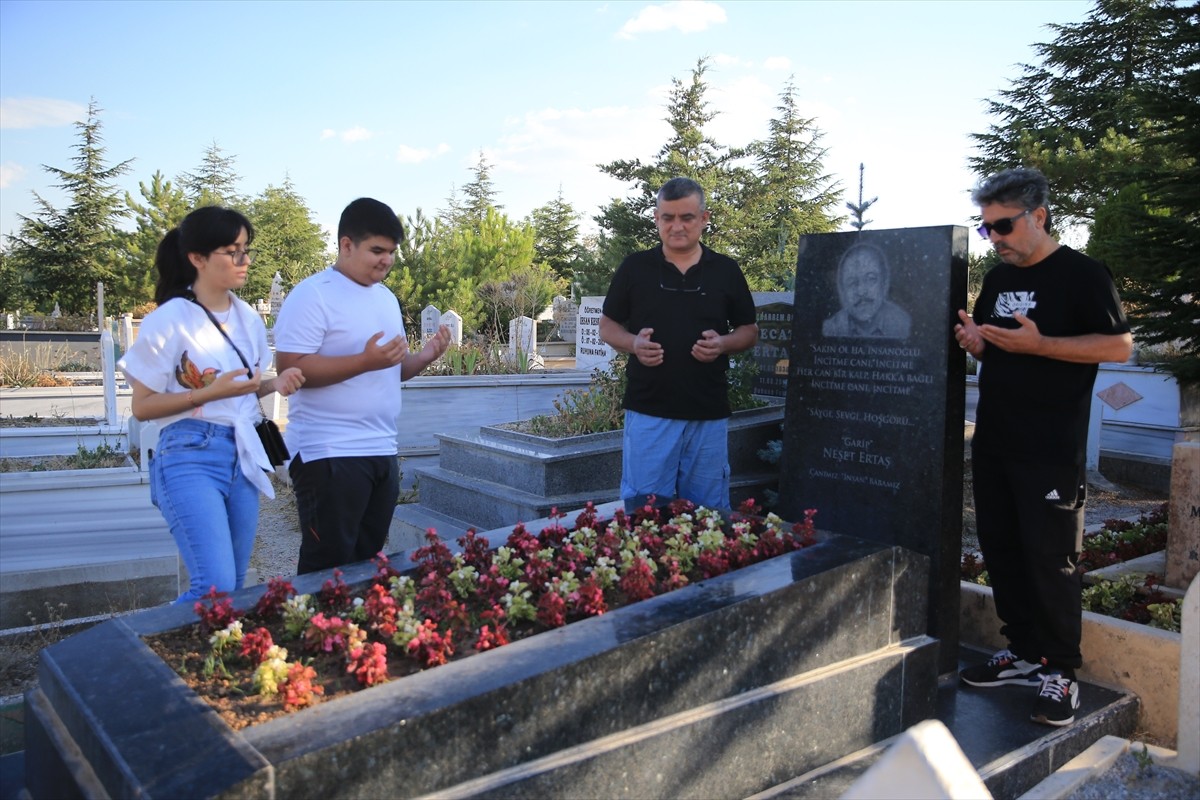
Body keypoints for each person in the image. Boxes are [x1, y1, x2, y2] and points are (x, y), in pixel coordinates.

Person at [954, 167, 1132, 727]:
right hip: (996, 437)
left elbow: (1119, 347)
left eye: (1003, 226)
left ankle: (1061, 671)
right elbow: (998, 349)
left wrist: (1042, 344)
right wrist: (979, 343)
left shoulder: (1082, 274)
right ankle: (1023, 651)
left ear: (1038, 216)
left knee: (1050, 558)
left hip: (1050, 445)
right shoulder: (999, 280)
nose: (995, 239)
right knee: (1002, 548)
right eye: (986, 229)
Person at [119, 206, 306, 604]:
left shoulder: (248, 320)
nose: (245, 260)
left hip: (242, 455)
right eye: (232, 251)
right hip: (188, 454)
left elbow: (238, 391)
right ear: (198, 258)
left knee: (233, 588)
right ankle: (136, 650)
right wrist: (206, 393)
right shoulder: (170, 320)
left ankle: (208, 664)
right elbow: (142, 406)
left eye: (245, 249)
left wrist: (274, 383)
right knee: (214, 586)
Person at [273, 198, 451, 575]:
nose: (385, 260)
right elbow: (290, 371)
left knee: (368, 564)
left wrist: (425, 357)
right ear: (346, 244)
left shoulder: (386, 298)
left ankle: (355, 633)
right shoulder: (313, 295)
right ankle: (314, 633)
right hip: (328, 451)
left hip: (381, 449)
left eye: (391, 252)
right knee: (328, 568)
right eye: (376, 250)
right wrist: (364, 361)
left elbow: (393, 370)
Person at [599, 177, 759, 513]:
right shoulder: (635, 268)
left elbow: (749, 331)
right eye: (668, 217)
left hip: (708, 413)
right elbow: (608, 326)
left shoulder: (726, 271)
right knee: (646, 513)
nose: (677, 226)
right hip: (649, 411)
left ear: (704, 218)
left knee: (708, 517)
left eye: (686, 217)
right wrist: (633, 343)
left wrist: (724, 343)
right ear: (656, 218)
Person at [821, 242, 911, 338]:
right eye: (852, 283)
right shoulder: (831, 328)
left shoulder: (903, 324)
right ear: (842, 290)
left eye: (871, 279)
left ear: (884, 283)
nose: (861, 291)